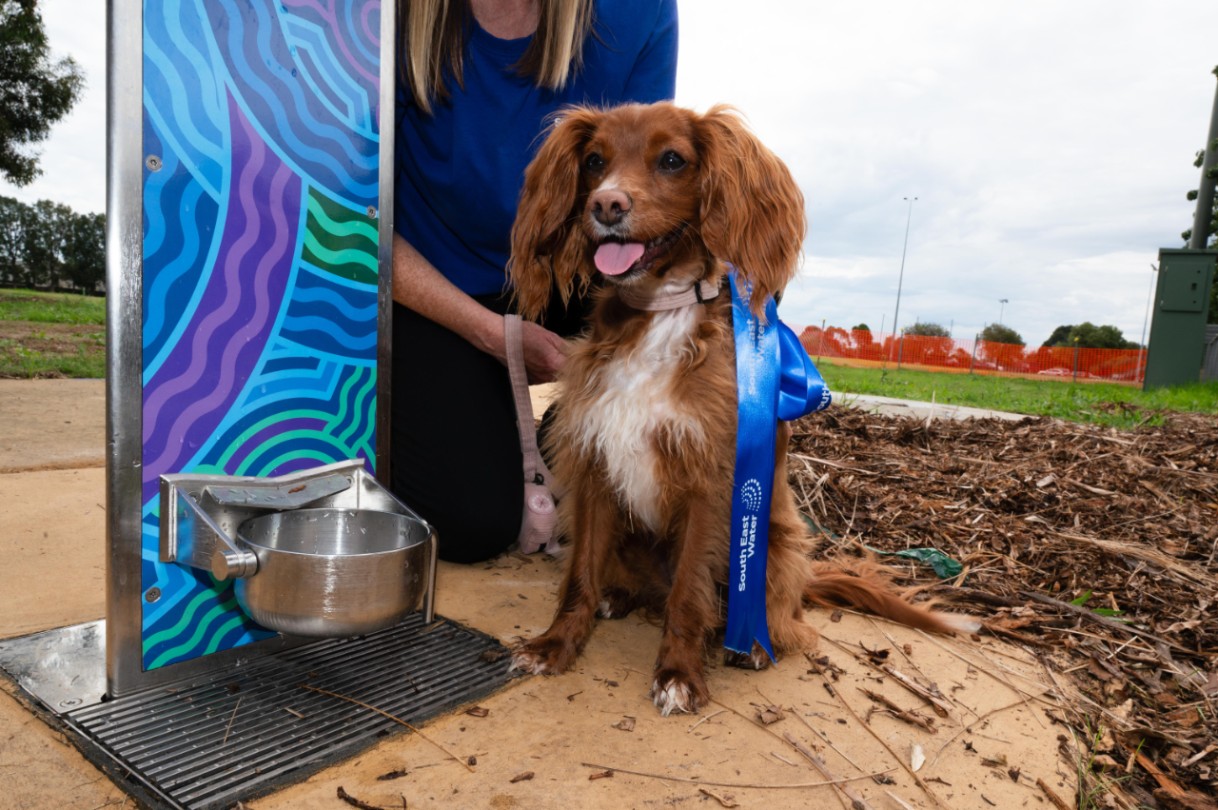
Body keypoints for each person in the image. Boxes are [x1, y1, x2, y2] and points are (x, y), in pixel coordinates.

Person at [390, 0, 679, 563]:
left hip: (577, 264)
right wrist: (489, 335)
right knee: (472, 524)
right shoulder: (382, 17)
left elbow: (644, 191)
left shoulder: (638, 13)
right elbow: (353, 214)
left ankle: (571, 440)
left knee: (718, 308)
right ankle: (497, 423)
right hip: (437, 280)